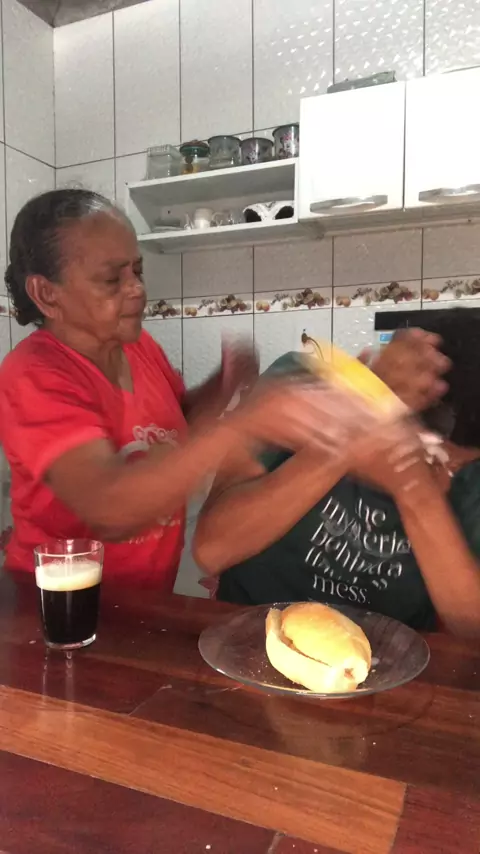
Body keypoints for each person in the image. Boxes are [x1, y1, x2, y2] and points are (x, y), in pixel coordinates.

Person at [0, 189, 363, 589]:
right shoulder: (33, 373)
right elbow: (109, 507)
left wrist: (222, 387)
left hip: (144, 599)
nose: (136, 289)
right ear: (46, 294)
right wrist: (245, 426)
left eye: (137, 271)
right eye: (111, 279)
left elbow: (173, 430)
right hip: (58, 606)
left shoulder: (138, 347)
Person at [194, 312, 480, 638]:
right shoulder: (302, 384)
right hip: (251, 635)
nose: (446, 473)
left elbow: (471, 626)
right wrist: (346, 439)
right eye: (433, 457)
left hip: (379, 655)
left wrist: (415, 490)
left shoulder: (471, 479)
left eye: (458, 465)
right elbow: (212, 550)